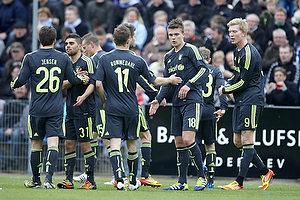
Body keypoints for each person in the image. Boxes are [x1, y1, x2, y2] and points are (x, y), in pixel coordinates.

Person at [95, 23, 182, 190]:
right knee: (132, 145)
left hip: (112, 108)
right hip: (131, 108)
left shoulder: (105, 59)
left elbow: (98, 83)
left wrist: (104, 100)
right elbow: (154, 81)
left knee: (114, 144)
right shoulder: (137, 59)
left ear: (113, 40)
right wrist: (170, 80)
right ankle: (134, 181)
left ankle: (119, 179)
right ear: (129, 40)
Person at [11, 26, 89, 189]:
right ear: (55, 40)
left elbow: (21, 80)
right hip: (55, 109)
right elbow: (73, 79)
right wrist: (81, 79)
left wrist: (13, 84)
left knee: (36, 145)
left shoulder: (30, 57)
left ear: (39, 39)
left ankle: (35, 180)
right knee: (53, 144)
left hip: (36, 109)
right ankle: (48, 180)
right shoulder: (63, 58)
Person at [149, 18, 209, 191]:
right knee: (179, 142)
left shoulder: (191, 50)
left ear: (183, 34)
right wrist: (158, 100)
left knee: (189, 138)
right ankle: (182, 182)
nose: (173, 37)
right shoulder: (168, 56)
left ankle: (201, 177)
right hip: (177, 103)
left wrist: (188, 85)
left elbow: (204, 70)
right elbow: (168, 82)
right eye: (171, 35)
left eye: (176, 34)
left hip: (192, 100)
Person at [218, 18, 275, 190]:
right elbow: (237, 76)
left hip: (252, 99)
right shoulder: (237, 52)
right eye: (230, 32)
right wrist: (227, 84)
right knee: (237, 141)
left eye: (234, 31)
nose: (231, 35)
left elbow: (243, 82)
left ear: (244, 33)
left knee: (247, 139)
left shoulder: (250, 53)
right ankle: (265, 172)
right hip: (241, 99)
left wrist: (225, 90)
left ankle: (239, 182)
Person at [56, 33, 97, 190]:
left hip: (85, 109)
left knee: (85, 145)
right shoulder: (64, 63)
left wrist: (83, 96)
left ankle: (90, 181)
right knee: (68, 144)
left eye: (71, 43)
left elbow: (93, 83)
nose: (68, 46)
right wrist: (75, 78)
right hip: (70, 109)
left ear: (80, 46)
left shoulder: (88, 61)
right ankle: (68, 180)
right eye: (66, 43)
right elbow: (61, 85)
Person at [72, 32, 106, 183]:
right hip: (97, 105)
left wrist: (104, 101)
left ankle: (118, 176)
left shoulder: (97, 59)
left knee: (107, 138)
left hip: (101, 105)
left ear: (92, 45)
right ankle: (88, 172)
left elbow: (98, 83)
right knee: (93, 137)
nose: (84, 52)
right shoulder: (105, 56)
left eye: (85, 48)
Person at [198, 46, 228, 189]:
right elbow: (222, 89)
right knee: (210, 146)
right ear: (209, 59)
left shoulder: (193, 69)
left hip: (194, 111)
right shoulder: (216, 71)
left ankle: (198, 175)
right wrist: (223, 108)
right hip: (210, 110)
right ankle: (210, 179)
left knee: (192, 144)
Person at [0, 84, 29, 171]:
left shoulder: (27, 103)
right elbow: (3, 118)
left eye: (21, 88)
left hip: (19, 130)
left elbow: (24, 120)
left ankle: (13, 162)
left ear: (26, 90)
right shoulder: (8, 102)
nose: (19, 90)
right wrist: (6, 128)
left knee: (16, 135)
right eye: (17, 88)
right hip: (5, 129)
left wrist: (12, 128)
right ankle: (2, 162)